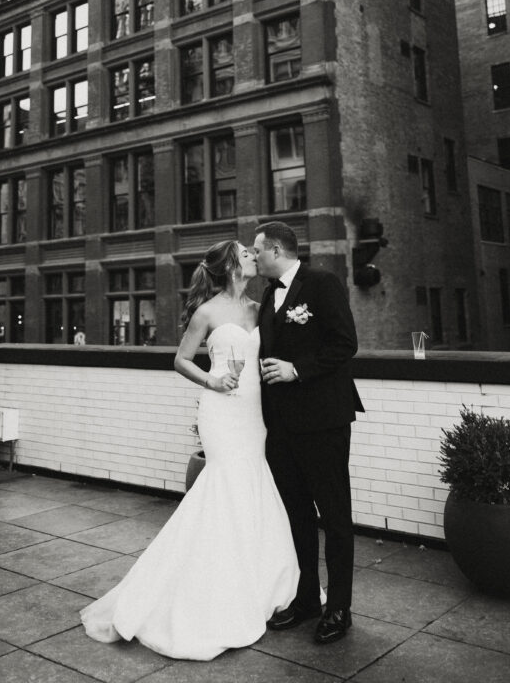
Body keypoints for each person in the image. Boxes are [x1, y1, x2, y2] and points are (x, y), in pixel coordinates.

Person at [80, 240, 301, 660]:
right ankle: (211, 592)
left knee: (252, 484)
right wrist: (211, 381)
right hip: (221, 410)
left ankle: (260, 583)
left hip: (254, 414)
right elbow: (181, 360)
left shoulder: (260, 307)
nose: (255, 256)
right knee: (224, 487)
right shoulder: (207, 311)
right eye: (247, 253)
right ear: (232, 265)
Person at [253, 221, 364, 645]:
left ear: (277, 249)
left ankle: (339, 607)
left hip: (323, 422)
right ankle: (306, 601)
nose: (254, 256)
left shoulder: (322, 283)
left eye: (258, 250)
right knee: (296, 516)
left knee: (334, 516)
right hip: (280, 427)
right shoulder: (267, 295)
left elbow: (344, 343)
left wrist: (296, 370)